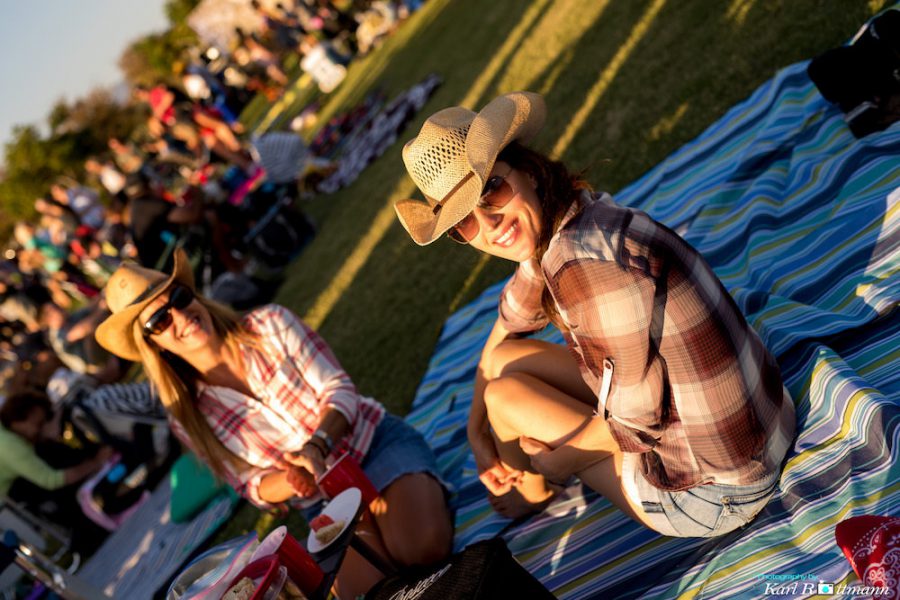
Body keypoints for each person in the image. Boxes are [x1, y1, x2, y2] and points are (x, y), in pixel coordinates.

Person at [394, 92, 796, 538]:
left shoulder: (581, 269)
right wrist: (476, 432)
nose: (489, 225)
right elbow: (505, 332)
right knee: (501, 373)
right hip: (768, 417)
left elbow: (636, 427)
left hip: (719, 488)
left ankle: (529, 491)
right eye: (463, 223)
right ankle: (524, 479)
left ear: (526, 169)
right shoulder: (569, 217)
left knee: (503, 398)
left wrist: (558, 461)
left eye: (491, 189)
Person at [94, 249, 452, 598]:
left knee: (421, 551)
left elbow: (339, 390)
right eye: (160, 320)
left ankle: (399, 512)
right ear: (153, 345)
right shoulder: (186, 417)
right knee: (366, 592)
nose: (180, 315)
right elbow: (250, 485)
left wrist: (317, 446)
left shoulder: (269, 324)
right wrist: (292, 479)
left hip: (374, 445)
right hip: (324, 500)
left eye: (178, 296)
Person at [0, 390, 113, 553]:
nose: (40, 428)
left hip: (13, 489)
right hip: (9, 503)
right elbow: (51, 480)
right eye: (38, 424)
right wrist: (96, 463)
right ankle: (89, 522)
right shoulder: (10, 446)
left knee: (48, 449)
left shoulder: (9, 432)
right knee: (51, 457)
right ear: (20, 420)